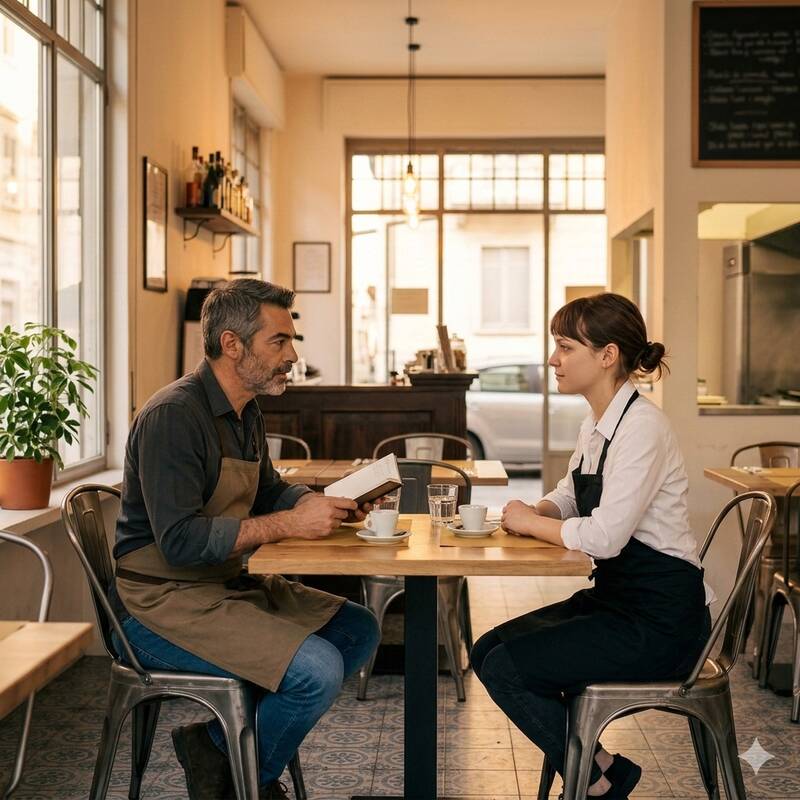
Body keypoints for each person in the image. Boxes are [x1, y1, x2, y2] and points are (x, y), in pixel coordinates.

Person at [110, 279, 381, 799]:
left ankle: (216, 747)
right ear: (232, 345)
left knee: (357, 628)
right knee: (317, 671)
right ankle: (243, 781)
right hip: (156, 604)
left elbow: (268, 490)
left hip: (219, 585)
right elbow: (180, 543)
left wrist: (319, 503)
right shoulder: (173, 416)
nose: (292, 355)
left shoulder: (245, 410)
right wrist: (288, 525)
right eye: (278, 342)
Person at [470, 293, 712, 799]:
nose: (553, 360)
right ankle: (601, 770)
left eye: (564, 347)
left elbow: (605, 535)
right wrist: (537, 512)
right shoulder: (599, 422)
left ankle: (597, 780)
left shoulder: (643, 427)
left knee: (506, 667)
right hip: (618, 602)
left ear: (607, 356)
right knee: (487, 650)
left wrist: (529, 525)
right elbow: (569, 494)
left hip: (661, 622)